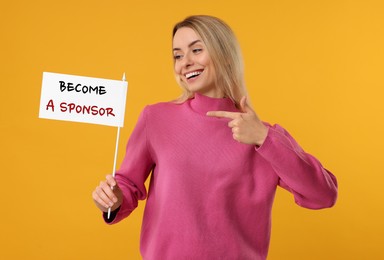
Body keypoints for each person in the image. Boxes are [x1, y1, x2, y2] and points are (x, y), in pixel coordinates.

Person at [92, 15, 338, 260]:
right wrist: (113, 200)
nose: (185, 62)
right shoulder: (155, 118)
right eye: (177, 55)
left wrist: (264, 138)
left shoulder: (261, 135)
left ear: (224, 54)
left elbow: (323, 195)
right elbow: (127, 185)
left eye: (196, 50)